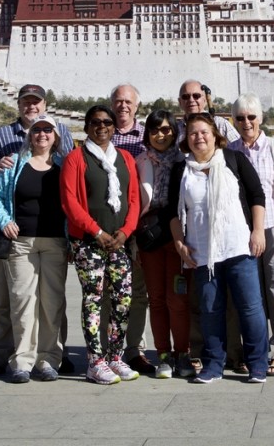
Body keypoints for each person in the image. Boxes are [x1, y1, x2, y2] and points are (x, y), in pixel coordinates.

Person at [0, 84, 75, 379]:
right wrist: (4, 218)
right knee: (15, 301)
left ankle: (51, 358)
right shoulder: (5, 144)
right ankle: (15, 358)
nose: (41, 133)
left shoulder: (62, 155)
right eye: (26, 102)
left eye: (36, 103)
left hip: (55, 240)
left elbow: (73, 188)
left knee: (52, 302)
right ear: (19, 106)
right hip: (16, 241)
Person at [168, 113, 270, 384]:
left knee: (250, 308)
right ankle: (213, 365)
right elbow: (173, 212)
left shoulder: (234, 160)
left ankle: (258, 363)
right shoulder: (182, 170)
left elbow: (257, 195)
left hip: (239, 246)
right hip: (203, 253)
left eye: (204, 132)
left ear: (215, 136)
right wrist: (179, 243)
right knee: (210, 310)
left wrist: (258, 231)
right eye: (192, 133)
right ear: (186, 139)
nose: (199, 137)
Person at [61, 105, 141, 385]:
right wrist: (96, 231)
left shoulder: (127, 159)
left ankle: (116, 357)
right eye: (96, 122)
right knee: (94, 299)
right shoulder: (76, 159)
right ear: (87, 127)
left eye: (107, 122)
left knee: (123, 300)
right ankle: (95, 362)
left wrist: (125, 231)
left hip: (120, 242)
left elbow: (134, 200)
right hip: (88, 243)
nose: (102, 126)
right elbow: (70, 202)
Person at [228, 93, 274, 378]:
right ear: (233, 121)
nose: (246, 122)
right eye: (240, 118)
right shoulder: (229, 151)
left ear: (260, 118)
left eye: (251, 117)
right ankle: (253, 349)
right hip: (241, 232)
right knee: (249, 294)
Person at [134, 109, 195, 379]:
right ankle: (162, 354)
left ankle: (182, 352)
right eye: (155, 130)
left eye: (167, 130)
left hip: (179, 237)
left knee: (178, 299)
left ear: (175, 132)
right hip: (150, 237)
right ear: (148, 133)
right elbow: (134, 202)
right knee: (156, 299)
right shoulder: (140, 162)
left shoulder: (186, 162)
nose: (161, 135)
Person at [109, 83, 155, 375]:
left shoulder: (146, 137)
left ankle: (135, 349)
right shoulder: (102, 131)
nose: (123, 106)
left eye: (128, 102)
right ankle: (106, 349)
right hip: (106, 227)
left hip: (138, 225)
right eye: (118, 101)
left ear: (137, 106)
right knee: (105, 292)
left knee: (138, 292)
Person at [176, 79, 240, 143]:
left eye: (196, 96)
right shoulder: (174, 130)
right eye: (185, 96)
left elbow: (240, 148)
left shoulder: (221, 124)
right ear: (180, 102)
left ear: (205, 100)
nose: (191, 100)